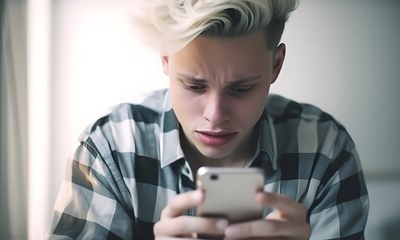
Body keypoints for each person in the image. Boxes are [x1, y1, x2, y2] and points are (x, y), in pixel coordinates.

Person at [49, 0, 369, 239]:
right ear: (166, 59)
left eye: (241, 88)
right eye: (194, 85)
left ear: (276, 65)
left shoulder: (325, 150)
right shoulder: (109, 149)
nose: (215, 115)